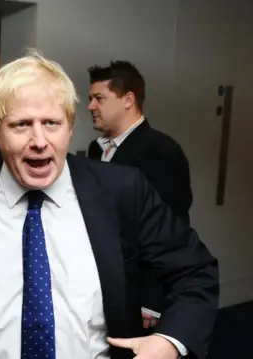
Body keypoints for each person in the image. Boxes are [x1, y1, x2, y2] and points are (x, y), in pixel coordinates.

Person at [0, 51, 218, 359]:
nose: (39, 141)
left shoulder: (123, 190)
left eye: (51, 123)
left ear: (70, 128)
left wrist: (169, 342)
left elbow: (196, 272)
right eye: (21, 125)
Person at [86, 61, 193, 325]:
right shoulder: (96, 149)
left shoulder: (160, 150)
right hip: (103, 284)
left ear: (128, 99)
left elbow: (170, 232)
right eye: (90, 99)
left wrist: (153, 301)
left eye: (99, 98)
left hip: (139, 294)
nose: (90, 106)